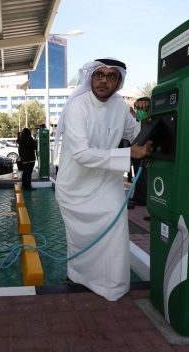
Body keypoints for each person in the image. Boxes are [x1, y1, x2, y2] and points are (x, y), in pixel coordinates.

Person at [54, 58, 152, 301]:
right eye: (99, 75)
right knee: (79, 240)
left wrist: (147, 115)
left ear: (118, 82)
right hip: (74, 187)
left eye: (111, 76)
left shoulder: (120, 107)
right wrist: (129, 153)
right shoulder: (78, 106)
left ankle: (112, 287)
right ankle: (77, 276)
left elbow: (138, 135)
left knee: (115, 236)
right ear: (91, 78)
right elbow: (81, 154)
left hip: (107, 183)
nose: (104, 80)